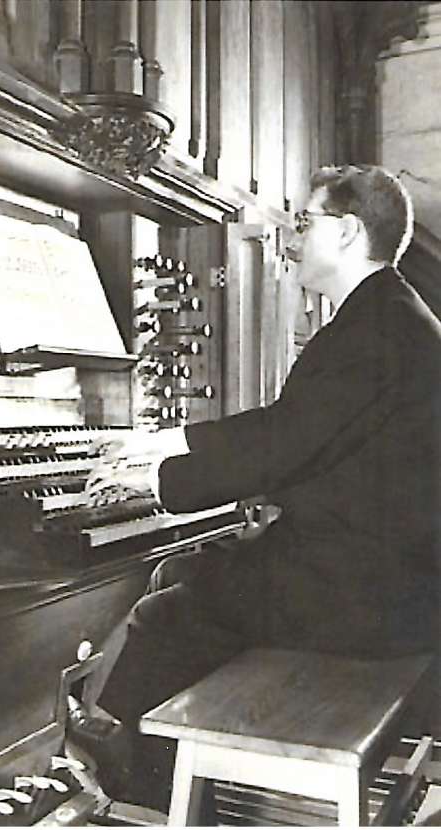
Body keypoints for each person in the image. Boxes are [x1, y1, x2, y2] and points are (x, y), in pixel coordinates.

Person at [82, 165, 441, 814]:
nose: (294, 238)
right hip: (391, 583)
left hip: (372, 599)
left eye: (306, 222)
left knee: (169, 610)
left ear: (348, 231)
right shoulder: (389, 315)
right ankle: (155, 769)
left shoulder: (375, 328)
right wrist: (175, 443)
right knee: (193, 575)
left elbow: (284, 442)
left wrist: (155, 476)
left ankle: (137, 788)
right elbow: (295, 430)